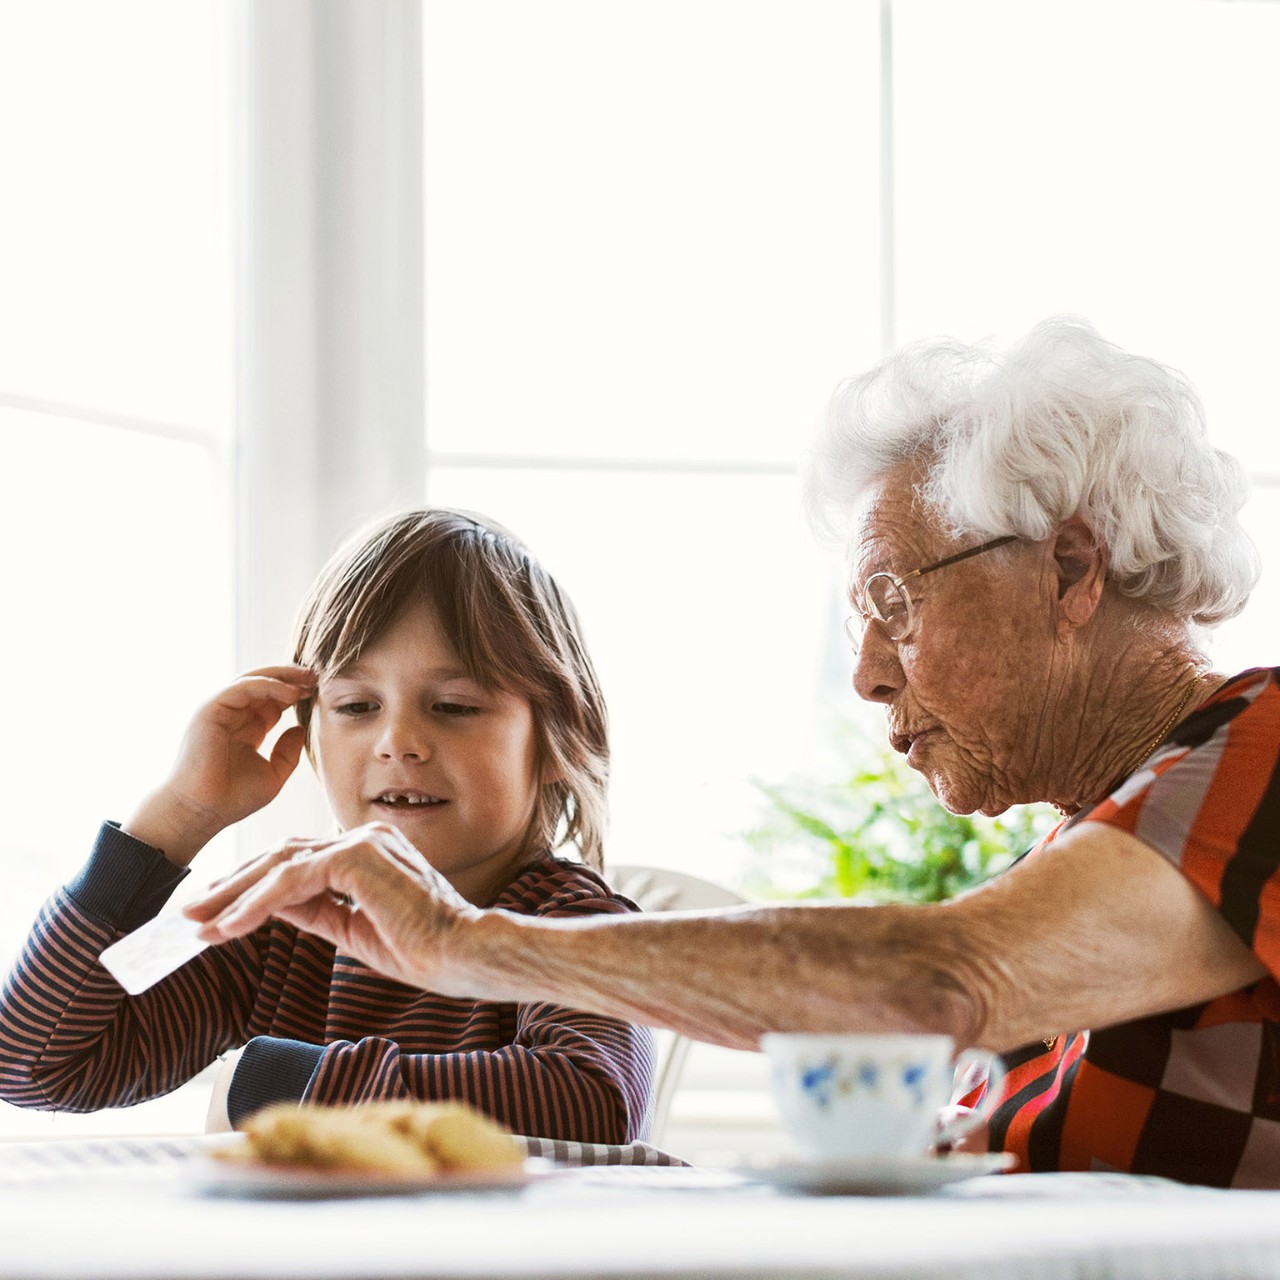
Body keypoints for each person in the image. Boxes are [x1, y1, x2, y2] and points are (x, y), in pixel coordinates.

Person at [182, 318, 1280, 1188]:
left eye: (892, 602)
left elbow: (939, 974)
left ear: (1070, 568)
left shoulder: (1261, 748)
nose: (865, 672)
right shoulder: (1096, 834)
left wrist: (467, 943)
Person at [0, 508, 654, 1144]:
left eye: (455, 706)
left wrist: (274, 1079)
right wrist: (178, 819)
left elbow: (591, 1103)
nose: (398, 741)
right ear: (310, 735)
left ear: (560, 742)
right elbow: (33, 1065)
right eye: (356, 705)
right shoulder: (285, 928)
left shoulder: (577, 929)